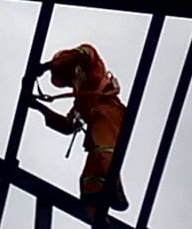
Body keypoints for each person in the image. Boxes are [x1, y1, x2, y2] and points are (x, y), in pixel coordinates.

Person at [28, 43, 129, 216]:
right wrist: (38, 107)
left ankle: (114, 186)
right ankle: (98, 216)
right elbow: (69, 126)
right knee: (89, 183)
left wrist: (47, 66)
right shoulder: (81, 101)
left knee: (106, 150)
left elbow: (79, 55)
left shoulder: (92, 64)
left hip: (108, 113)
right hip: (96, 127)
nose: (71, 83)